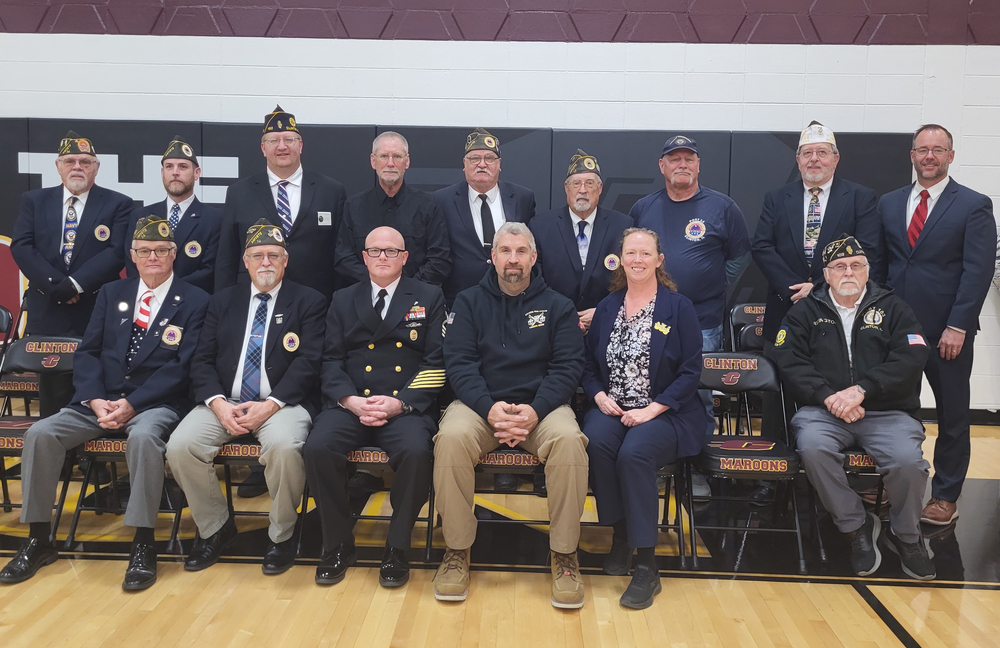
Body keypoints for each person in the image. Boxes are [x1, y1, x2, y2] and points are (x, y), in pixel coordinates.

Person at [0, 218, 209, 591]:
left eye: (162, 250)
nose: (153, 257)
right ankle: (39, 538)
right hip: (99, 401)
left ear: (174, 254)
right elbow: (89, 351)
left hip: (155, 403)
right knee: (41, 433)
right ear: (132, 256)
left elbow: (184, 367)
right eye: (144, 251)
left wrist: (132, 403)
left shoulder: (196, 300)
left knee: (144, 440)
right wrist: (95, 398)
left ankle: (143, 543)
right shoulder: (113, 293)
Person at [432, 222, 588, 608]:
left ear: (534, 258)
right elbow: (460, 363)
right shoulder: (468, 302)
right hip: (480, 406)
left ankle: (565, 555)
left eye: (521, 252)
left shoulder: (559, 306)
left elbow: (568, 367)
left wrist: (535, 411)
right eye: (505, 251)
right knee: (450, 439)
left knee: (570, 441)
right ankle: (456, 551)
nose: (513, 260)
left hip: (543, 408)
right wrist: (490, 409)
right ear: (493, 256)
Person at [166, 219, 327, 575]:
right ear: (245, 261)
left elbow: (309, 362)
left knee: (285, 448)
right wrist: (218, 404)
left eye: (273, 255)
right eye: (258, 255)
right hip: (224, 402)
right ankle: (215, 529)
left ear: (286, 261)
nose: (265, 262)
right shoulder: (222, 301)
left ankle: (282, 535)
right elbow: (202, 359)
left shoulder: (309, 301)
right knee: (181, 446)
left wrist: (270, 406)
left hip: (283, 403)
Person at [769, 236, 935, 580]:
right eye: (840, 267)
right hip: (823, 411)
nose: (849, 272)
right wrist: (830, 397)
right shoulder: (804, 311)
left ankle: (907, 536)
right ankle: (856, 528)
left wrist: (862, 391)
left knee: (908, 462)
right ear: (825, 274)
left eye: (856, 265)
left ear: (867, 271)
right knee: (812, 449)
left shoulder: (893, 308)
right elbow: (789, 360)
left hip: (887, 411)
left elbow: (911, 357)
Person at [214, 105, 346, 497]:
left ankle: (311, 459)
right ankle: (261, 461)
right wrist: (226, 306)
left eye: (289, 139)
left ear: (301, 144)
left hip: (315, 308)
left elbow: (341, 256)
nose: (282, 146)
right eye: (274, 140)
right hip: (255, 307)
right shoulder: (240, 192)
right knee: (259, 378)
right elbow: (227, 255)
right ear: (263, 147)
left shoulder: (332, 190)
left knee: (308, 384)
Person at [305, 226, 446, 588]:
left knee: (417, 453)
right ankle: (337, 544)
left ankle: (397, 547)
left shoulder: (429, 295)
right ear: (364, 257)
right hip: (353, 402)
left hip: (403, 405)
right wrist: (350, 400)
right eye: (375, 251)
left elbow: (436, 362)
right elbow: (330, 360)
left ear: (405, 257)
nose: (383, 257)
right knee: (318, 448)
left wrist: (401, 403)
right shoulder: (342, 297)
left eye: (391, 251)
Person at [873, 124, 996, 526]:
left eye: (938, 150)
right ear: (912, 155)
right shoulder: (890, 203)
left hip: (947, 333)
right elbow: (883, 265)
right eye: (922, 149)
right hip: (897, 332)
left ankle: (945, 495)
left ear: (950, 156)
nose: (929, 156)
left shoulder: (974, 205)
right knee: (892, 412)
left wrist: (958, 325)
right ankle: (897, 488)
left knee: (953, 416)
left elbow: (977, 272)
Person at [582, 228, 706, 608]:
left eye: (644, 253)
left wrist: (654, 408)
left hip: (666, 411)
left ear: (658, 260)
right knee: (596, 443)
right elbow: (586, 365)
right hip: (614, 405)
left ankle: (647, 567)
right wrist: (599, 395)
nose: (637, 259)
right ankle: (621, 536)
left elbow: (691, 370)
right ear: (621, 259)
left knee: (634, 455)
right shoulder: (607, 307)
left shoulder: (678, 306)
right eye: (630, 252)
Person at [629, 135, 751, 497]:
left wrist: (713, 285)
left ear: (698, 165)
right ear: (662, 166)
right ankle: (653, 461)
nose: (682, 164)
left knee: (698, 396)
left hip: (703, 320)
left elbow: (740, 256)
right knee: (649, 391)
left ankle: (698, 465)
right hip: (649, 319)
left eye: (689, 158)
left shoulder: (722, 207)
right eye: (674, 158)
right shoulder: (643, 208)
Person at [11, 131, 133, 416]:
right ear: (58, 166)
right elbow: (22, 246)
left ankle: (96, 461)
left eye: (85, 161)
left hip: (95, 310)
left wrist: (76, 285)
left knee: (96, 390)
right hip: (49, 311)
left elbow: (117, 251)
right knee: (52, 398)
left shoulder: (118, 203)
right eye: (70, 161)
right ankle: (58, 461)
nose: (77, 167)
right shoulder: (34, 200)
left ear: (96, 167)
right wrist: (58, 286)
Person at [531, 149, 631, 335]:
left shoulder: (623, 226)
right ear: (566, 188)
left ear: (600, 188)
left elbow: (631, 280)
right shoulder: (541, 226)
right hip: (556, 329)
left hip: (607, 330)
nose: (582, 190)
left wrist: (604, 313)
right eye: (576, 183)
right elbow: (536, 281)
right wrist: (565, 315)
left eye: (590, 184)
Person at [433, 128, 536, 307]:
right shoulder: (442, 200)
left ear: (499, 164)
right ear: (464, 164)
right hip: (460, 301)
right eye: (474, 159)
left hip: (511, 299)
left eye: (489, 158)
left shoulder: (522, 198)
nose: (482, 164)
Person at [334, 132, 450, 286]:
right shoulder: (353, 206)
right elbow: (344, 258)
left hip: (416, 300)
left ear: (407, 161)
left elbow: (439, 259)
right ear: (373, 161)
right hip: (365, 300)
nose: (390, 163)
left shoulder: (428, 206)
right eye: (383, 156)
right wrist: (376, 286)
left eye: (397, 156)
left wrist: (405, 290)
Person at [126, 136, 221, 294]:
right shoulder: (140, 216)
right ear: (162, 173)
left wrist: (167, 291)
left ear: (196, 173)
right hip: (147, 301)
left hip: (193, 304)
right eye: (169, 167)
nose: (175, 172)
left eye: (183, 167)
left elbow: (210, 270)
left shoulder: (214, 219)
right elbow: (132, 264)